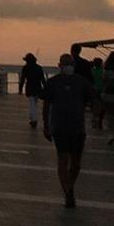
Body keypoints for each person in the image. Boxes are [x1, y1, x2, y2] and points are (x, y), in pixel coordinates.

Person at [43, 51, 92, 208]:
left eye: (69, 63)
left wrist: (97, 116)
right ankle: (68, 191)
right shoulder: (52, 83)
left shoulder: (82, 82)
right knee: (63, 159)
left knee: (76, 163)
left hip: (78, 128)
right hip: (60, 127)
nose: (67, 66)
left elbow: (92, 99)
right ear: (59, 66)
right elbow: (46, 105)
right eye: (65, 63)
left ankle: (69, 185)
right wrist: (46, 126)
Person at [20, 52, 45, 130]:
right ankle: (32, 119)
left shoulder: (25, 68)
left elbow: (22, 79)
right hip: (38, 88)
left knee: (32, 104)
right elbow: (43, 79)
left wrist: (20, 88)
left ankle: (33, 120)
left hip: (30, 88)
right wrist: (46, 88)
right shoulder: (39, 68)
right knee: (34, 104)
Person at [90, 57, 106, 130]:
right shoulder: (103, 72)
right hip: (102, 91)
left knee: (95, 106)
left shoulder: (92, 71)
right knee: (102, 107)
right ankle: (99, 120)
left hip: (94, 90)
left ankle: (94, 119)